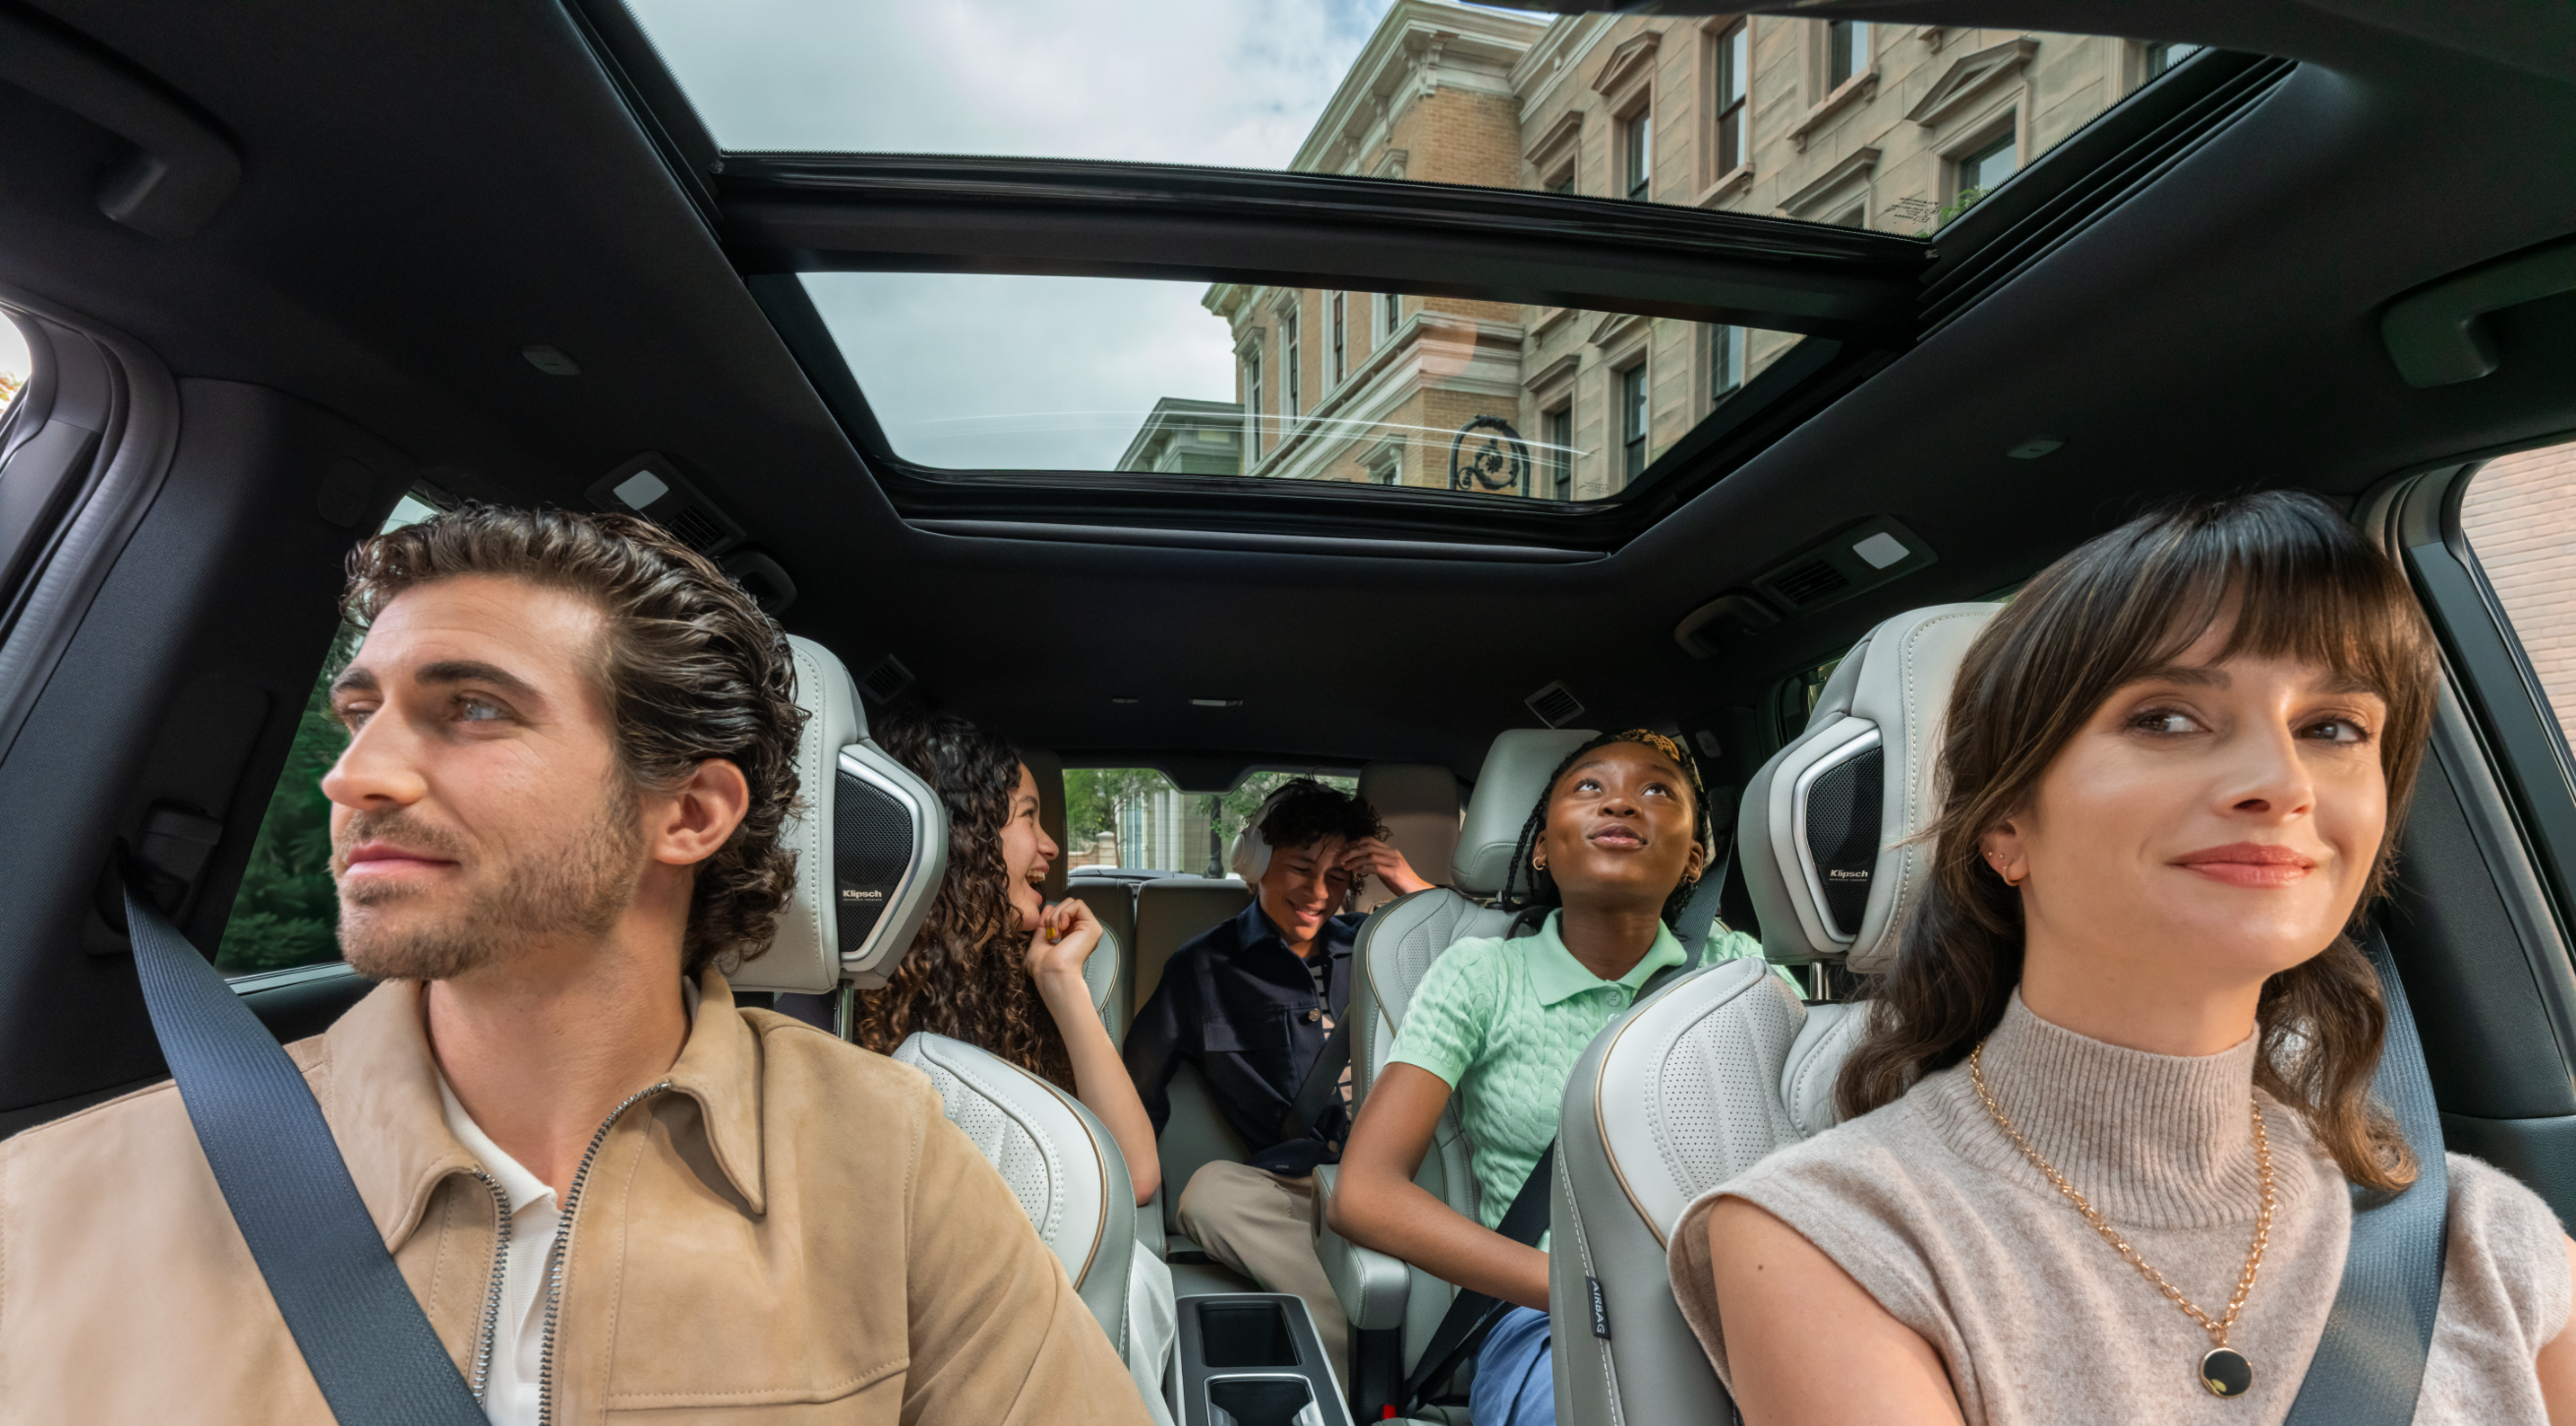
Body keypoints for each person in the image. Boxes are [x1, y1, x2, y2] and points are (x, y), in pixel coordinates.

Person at [0, 506, 1146, 1424]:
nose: (353, 775)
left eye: (473, 709)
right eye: (360, 712)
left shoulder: (895, 1164)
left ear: (689, 811)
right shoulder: (60, 1198)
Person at [1672, 493, 2576, 1423]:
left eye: (2333, 728)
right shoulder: (1837, 1238)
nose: (2282, 783)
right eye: (2168, 719)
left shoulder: (2487, 1242)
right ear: (2006, 826)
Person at [1330, 731, 1713, 1426]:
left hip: (1741, 1305)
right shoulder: (1480, 974)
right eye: (1589, 787)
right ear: (1540, 846)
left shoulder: (1740, 970)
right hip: (1551, 1320)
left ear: (1694, 856)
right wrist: (1582, 1289)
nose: (1622, 803)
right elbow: (1365, 1192)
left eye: (1656, 789)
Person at [852, 711, 1179, 1425]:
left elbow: (1137, 1173)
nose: (1052, 847)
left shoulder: (1021, 980)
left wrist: (1065, 987)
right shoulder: (843, 997)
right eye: (1028, 817)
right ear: (957, 836)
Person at [1123, 777, 1436, 1370]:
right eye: (1300, 869)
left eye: (1339, 877)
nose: (1320, 894)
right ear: (1257, 864)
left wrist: (1417, 895)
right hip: (1296, 1189)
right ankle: (1383, 1355)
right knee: (1209, 1193)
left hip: (1402, 1176)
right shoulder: (1202, 967)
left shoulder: (1383, 945)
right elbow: (1136, 1090)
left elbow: (1483, 975)